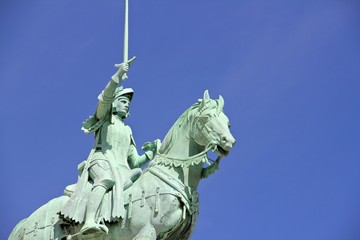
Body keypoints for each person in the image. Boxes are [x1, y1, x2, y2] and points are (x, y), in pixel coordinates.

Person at [58, 58, 159, 235]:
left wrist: (151, 153)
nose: (127, 103)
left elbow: (134, 161)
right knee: (105, 178)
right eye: (123, 100)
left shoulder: (128, 130)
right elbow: (105, 98)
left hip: (122, 168)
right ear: (114, 103)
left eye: (128, 102)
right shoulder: (104, 118)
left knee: (138, 174)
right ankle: (89, 221)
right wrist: (118, 75)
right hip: (101, 160)